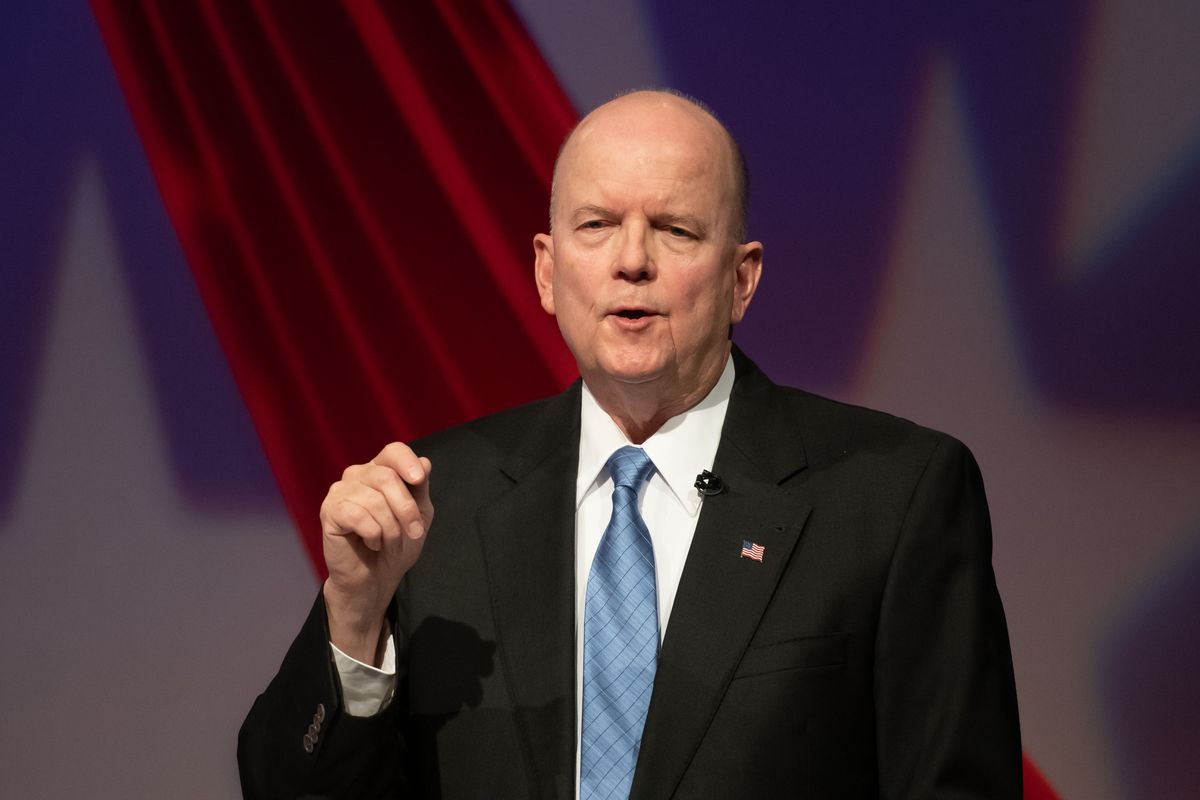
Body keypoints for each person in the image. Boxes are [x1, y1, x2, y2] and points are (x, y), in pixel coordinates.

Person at [238, 89, 1021, 798]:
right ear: (547, 272)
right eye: (597, 226)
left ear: (741, 280)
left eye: (676, 230)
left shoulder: (891, 495)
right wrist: (354, 615)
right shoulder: (436, 505)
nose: (632, 261)